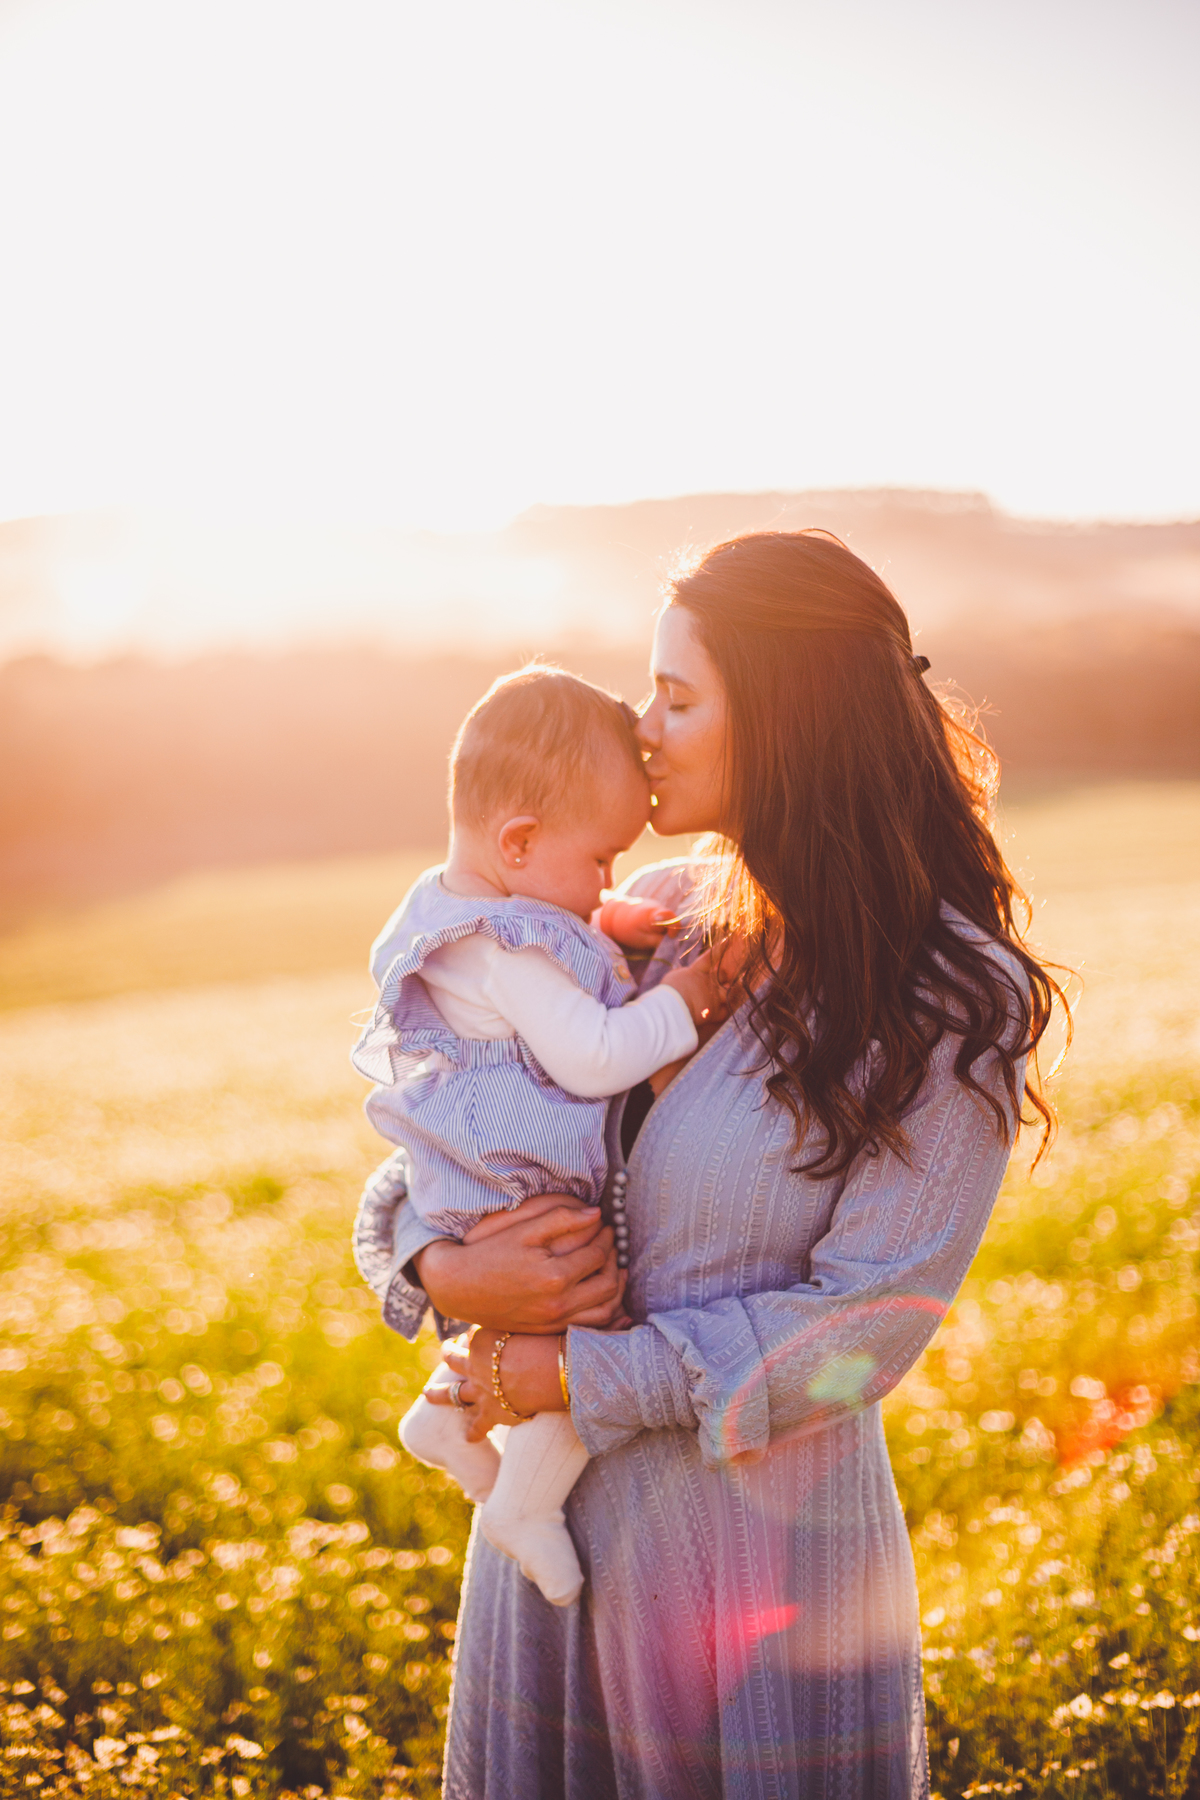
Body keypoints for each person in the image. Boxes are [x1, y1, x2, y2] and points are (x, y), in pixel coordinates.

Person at [355, 531, 1061, 1799]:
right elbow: (456, 1124)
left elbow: (861, 1327)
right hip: (549, 1556)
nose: (641, 726)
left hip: (759, 1579)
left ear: (788, 719)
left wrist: (573, 1367)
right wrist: (440, 1265)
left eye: (678, 698)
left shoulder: (951, 996)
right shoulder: (648, 913)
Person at [351, 665, 720, 1607]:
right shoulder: (512, 950)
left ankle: (443, 1423)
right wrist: (688, 995)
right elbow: (595, 1057)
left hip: (481, 1187)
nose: (605, 882)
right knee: (584, 1338)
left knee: (545, 1331)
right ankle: (523, 1502)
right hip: (526, 1194)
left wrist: (607, 923)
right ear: (519, 841)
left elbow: (559, 930)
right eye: (600, 860)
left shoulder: (460, 906)